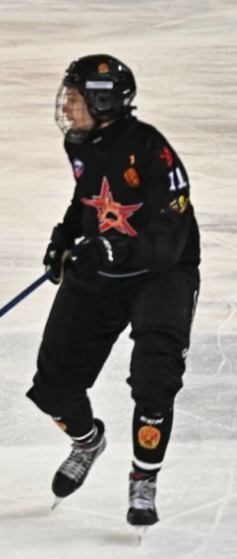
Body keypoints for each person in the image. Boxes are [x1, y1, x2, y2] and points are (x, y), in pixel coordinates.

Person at [30, 55, 199, 531]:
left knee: (155, 378)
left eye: (75, 97)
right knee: (53, 386)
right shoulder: (79, 142)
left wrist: (113, 248)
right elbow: (87, 196)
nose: (66, 106)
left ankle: (144, 477)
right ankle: (88, 442)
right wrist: (64, 238)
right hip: (102, 266)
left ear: (103, 102)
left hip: (161, 273)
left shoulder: (152, 150)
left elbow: (169, 238)